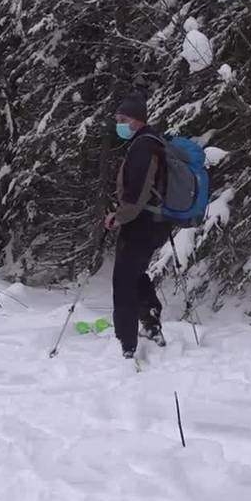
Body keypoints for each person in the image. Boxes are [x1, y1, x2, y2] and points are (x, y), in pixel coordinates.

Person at [104, 92, 173, 359]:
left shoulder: (144, 145)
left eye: (122, 119)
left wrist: (118, 216)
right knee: (135, 273)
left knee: (123, 279)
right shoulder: (152, 141)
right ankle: (151, 321)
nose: (118, 124)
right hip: (155, 221)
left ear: (136, 120)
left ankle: (126, 343)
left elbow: (137, 191)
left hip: (143, 221)